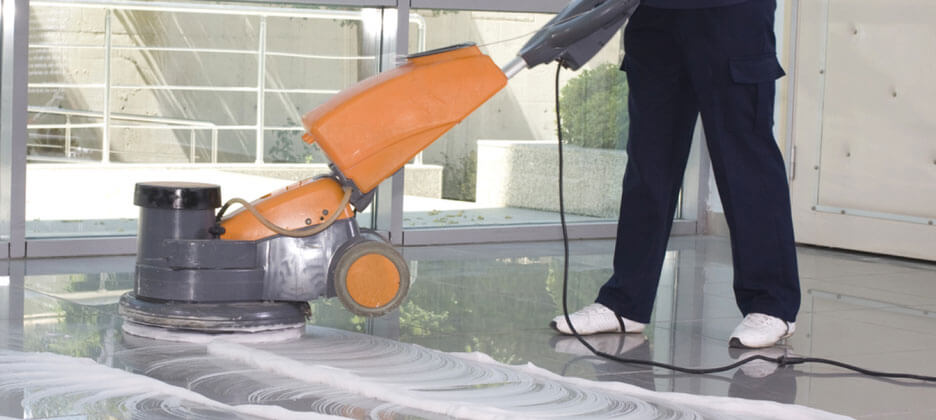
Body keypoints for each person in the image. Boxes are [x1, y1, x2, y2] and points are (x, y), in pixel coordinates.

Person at [551, 0, 801, 348]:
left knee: (745, 162)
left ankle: (772, 304)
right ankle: (626, 302)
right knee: (648, 164)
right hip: (654, 14)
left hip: (730, 15)